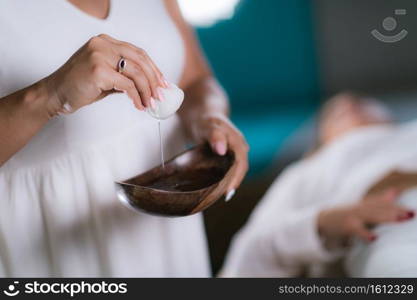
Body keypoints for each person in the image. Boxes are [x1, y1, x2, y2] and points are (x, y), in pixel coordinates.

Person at [0, 0, 248, 277]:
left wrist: (209, 117)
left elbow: (193, 79)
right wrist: (50, 95)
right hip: (44, 243)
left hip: (164, 229)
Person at [222, 93, 417, 277]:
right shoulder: (305, 172)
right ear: (321, 139)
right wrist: (322, 222)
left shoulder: (410, 131)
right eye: (335, 114)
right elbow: (244, 261)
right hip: (390, 224)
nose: (349, 103)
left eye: (361, 100)